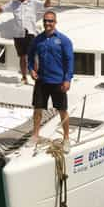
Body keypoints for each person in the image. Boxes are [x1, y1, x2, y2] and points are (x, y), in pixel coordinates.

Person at [27, 10, 73, 152]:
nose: (48, 23)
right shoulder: (38, 39)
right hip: (41, 80)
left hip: (58, 81)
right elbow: (29, 56)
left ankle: (66, 139)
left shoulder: (63, 40)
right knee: (37, 109)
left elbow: (69, 60)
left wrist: (67, 79)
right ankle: (35, 135)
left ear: (55, 22)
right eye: (46, 21)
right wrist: (31, 69)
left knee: (62, 110)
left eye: (50, 21)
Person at [0, 0, 52, 84]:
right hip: (18, 34)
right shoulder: (13, 3)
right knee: (22, 57)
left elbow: (47, 5)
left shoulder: (33, 2)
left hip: (30, 33)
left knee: (33, 56)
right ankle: (24, 77)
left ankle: (37, 78)